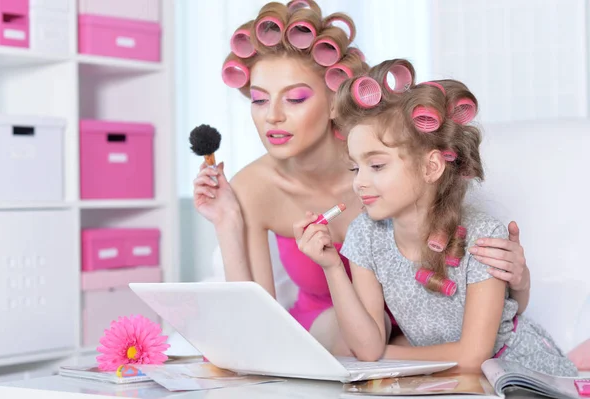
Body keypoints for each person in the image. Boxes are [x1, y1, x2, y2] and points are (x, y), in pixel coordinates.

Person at [193, 0, 531, 355]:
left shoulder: (394, 158)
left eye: (294, 98)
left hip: (414, 340)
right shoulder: (254, 187)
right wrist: (227, 224)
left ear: (335, 99)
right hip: (337, 339)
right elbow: (256, 331)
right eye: (259, 100)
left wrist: (518, 283)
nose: (272, 117)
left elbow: (483, 304)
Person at [293, 59, 578, 376]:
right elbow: (367, 347)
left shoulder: (482, 236)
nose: (358, 181)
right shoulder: (365, 235)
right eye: (355, 167)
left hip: (520, 373)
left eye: (376, 166)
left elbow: (472, 357)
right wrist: (333, 268)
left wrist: (388, 355)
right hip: (447, 380)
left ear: (431, 167)